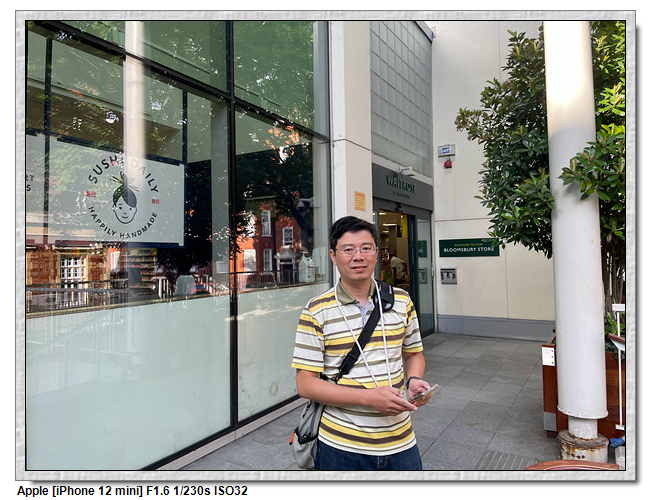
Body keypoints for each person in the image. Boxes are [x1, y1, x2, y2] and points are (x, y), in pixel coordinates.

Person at [291, 216, 432, 470]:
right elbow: (306, 384)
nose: (358, 256)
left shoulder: (401, 301)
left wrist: (413, 380)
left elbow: (413, 354)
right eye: (348, 250)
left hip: (401, 440)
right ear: (333, 256)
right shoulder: (316, 310)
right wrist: (368, 398)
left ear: (376, 253)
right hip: (340, 445)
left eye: (366, 248)